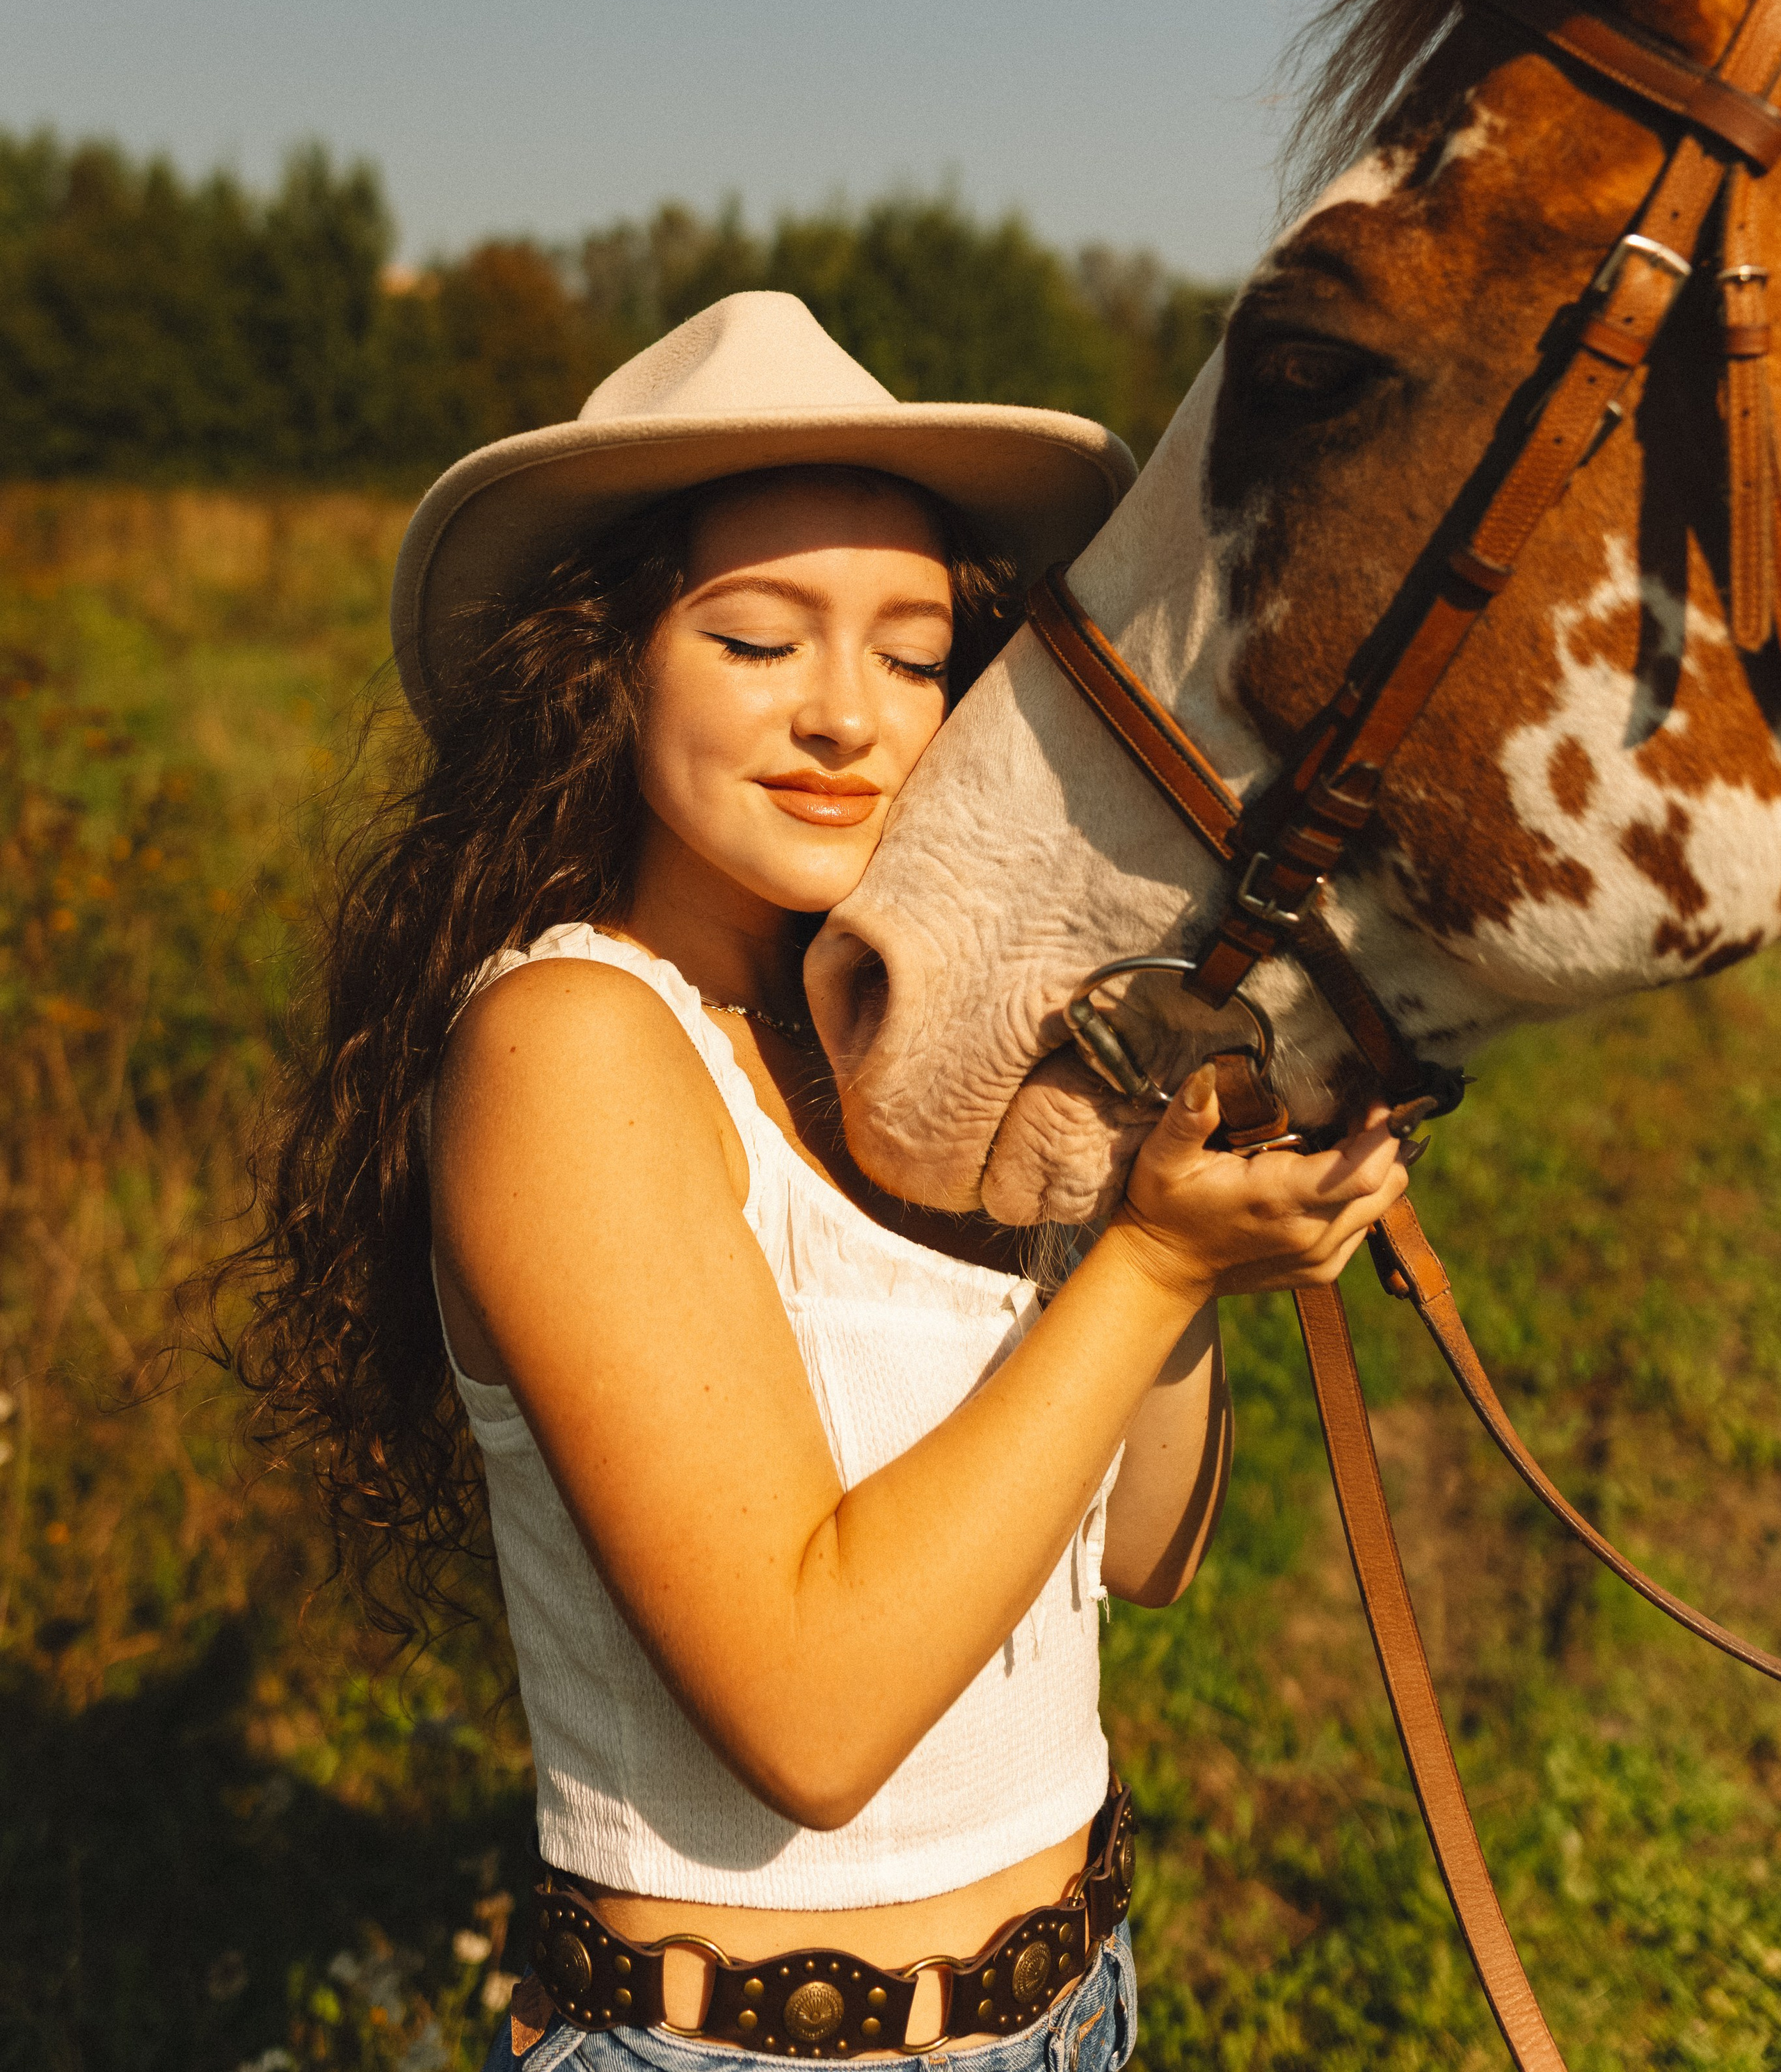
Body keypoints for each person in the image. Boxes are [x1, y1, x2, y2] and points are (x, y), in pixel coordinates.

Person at [239, 293, 1408, 2072]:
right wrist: (1152, 1275)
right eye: (759, 643)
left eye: (914, 651)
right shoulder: (575, 1043)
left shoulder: (905, 1045)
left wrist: (1155, 1191)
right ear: (611, 664)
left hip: (1074, 2004)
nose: (849, 719)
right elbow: (813, 1710)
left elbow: (1149, 1552)